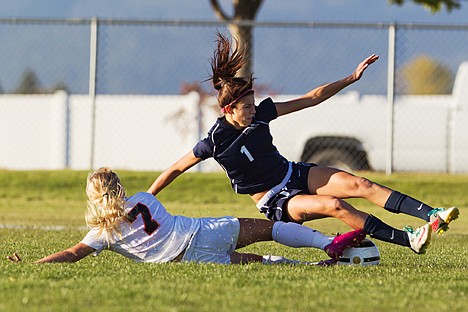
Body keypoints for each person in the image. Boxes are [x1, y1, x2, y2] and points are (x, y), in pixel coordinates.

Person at [147, 32, 459, 255]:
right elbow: (175, 169)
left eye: (254, 105)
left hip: (294, 173)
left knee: (360, 183)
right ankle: (410, 241)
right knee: (336, 206)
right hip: (274, 200)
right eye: (247, 107)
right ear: (228, 109)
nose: (254, 110)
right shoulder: (214, 142)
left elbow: (311, 98)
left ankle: (432, 214)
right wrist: (147, 197)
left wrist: (350, 78)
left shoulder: (261, 114)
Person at [7, 167, 367, 266]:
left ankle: (307, 268)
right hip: (201, 232)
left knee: (253, 262)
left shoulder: (103, 234)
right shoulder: (145, 197)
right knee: (270, 229)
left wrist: (34, 264)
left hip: (186, 259)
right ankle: (328, 244)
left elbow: (71, 255)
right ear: (119, 187)